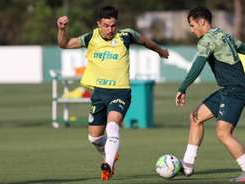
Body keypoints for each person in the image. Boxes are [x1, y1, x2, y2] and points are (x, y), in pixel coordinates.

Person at [56, 6, 169, 181]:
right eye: (106, 25)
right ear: (99, 24)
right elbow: (64, 44)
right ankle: (110, 153)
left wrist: (160, 50)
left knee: (113, 125)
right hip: (99, 94)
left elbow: (145, 41)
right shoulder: (91, 37)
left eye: (113, 25)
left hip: (120, 91)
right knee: (94, 138)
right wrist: (62, 29)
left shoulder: (126, 35)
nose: (110, 30)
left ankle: (108, 164)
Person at [175, 7, 245, 183]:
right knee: (196, 118)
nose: (192, 29)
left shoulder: (206, 41)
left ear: (202, 22)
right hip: (229, 89)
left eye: (192, 25)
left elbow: (197, 65)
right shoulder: (223, 35)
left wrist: (183, 87)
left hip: (236, 90)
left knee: (223, 133)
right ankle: (187, 165)